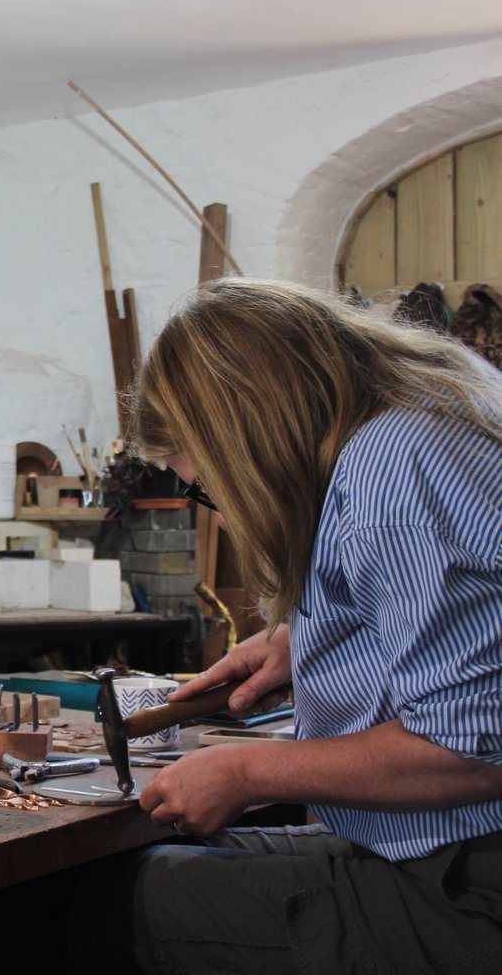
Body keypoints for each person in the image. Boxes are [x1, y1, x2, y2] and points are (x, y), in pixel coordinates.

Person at [74, 278, 502, 973]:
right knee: (161, 861)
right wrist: (316, 637)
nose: (216, 507)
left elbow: (473, 748)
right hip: (448, 853)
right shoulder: (436, 406)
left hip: (471, 891)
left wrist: (249, 771)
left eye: (205, 483)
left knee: (116, 899)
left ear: (245, 436)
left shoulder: (393, 468)